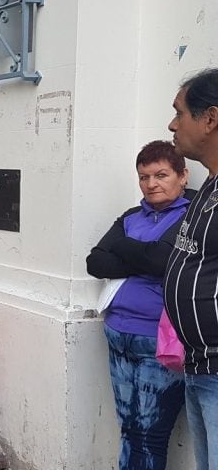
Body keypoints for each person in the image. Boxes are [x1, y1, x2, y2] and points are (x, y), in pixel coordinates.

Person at [86, 140, 189, 470]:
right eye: (144, 177)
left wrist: (128, 248)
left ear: (182, 176)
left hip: (159, 342)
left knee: (150, 434)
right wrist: (145, 256)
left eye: (161, 175)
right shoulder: (133, 215)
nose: (151, 184)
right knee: (129, 429)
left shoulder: (192, 218)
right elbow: (96, 261)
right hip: (118, 333)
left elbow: (163, 262)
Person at [164, 68, 218, 470]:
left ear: (210, 119)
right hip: (197, 364)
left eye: (179, 113)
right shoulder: (209, 189)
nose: (172, 124)